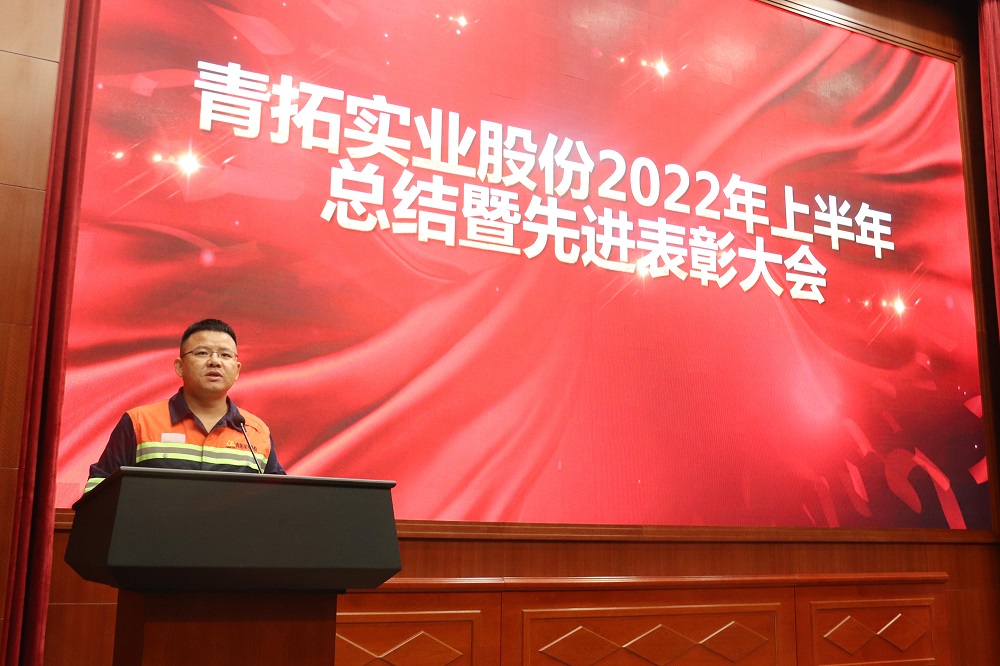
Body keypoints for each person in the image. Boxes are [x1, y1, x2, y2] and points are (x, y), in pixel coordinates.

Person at [84, 318, 285, 492]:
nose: (215, 361)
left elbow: (281, 500)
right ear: (180, 367)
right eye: (202, 353)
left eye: (225, 355)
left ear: (237, 370)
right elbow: (98, 492)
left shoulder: (256, 432)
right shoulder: (139, 423)